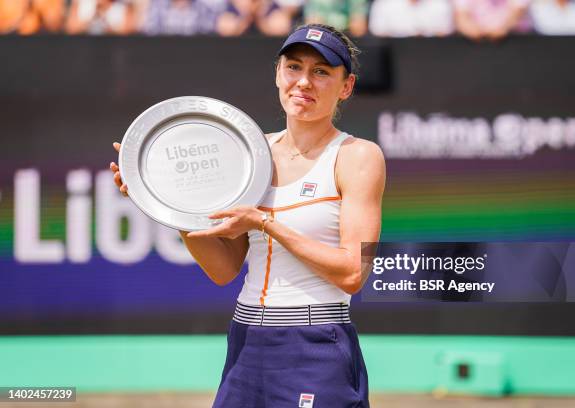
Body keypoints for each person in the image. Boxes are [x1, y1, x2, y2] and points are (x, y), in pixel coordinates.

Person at [109, 23, 385, 407]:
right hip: (246, 342)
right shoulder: (248, 153)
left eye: (321, 72)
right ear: (277, 73)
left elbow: (354, 273)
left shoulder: (358, 156)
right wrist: (172, 206)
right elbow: (224, 270)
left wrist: (264, 223)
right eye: (293, 67)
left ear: (346, 87)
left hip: (317, 343)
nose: (303, 82)